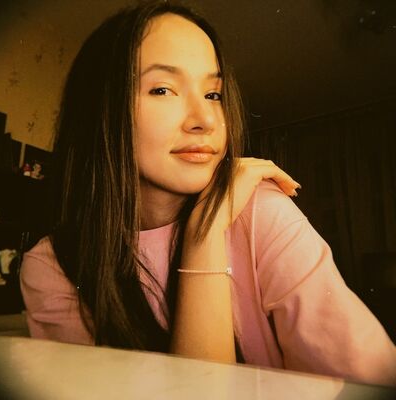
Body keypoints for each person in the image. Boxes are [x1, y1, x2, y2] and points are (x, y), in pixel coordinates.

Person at [20, 0, 395, 386]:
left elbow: (374, 383)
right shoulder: (54, 266)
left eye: (213, 94)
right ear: (100, 108)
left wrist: (208, 229)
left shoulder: (261, 211)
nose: (205, 121)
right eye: (162, 89)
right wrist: (205, 235)